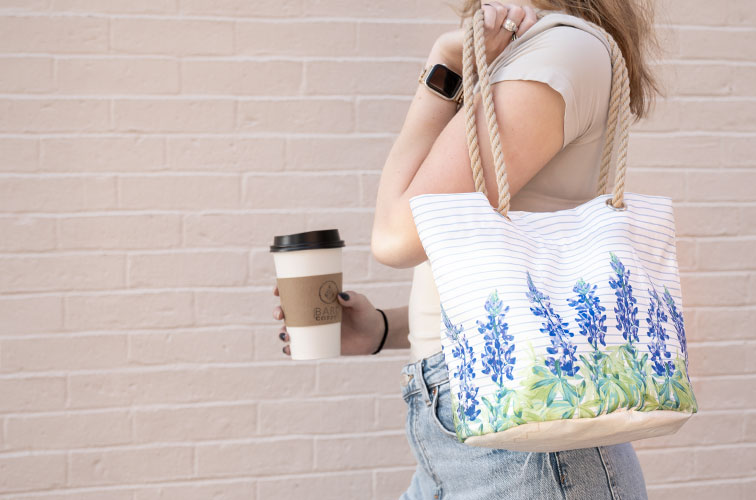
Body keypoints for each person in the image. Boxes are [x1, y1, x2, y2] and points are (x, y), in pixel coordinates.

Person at [275, 1, 663, 497]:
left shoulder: (558, 51)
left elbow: (395, 236)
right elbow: (514, 299)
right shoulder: (540, 52)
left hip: (531, 458)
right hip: (469, 443)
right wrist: (384, 328)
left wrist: (443, 68)